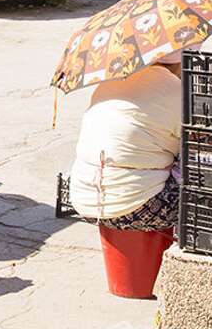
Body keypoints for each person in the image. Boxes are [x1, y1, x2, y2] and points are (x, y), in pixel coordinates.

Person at [67, 57, 184, 230]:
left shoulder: (109, 81)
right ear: (179, 62)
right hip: (135, 209)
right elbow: (192, 139)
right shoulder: (172, 87)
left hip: (84, 200)